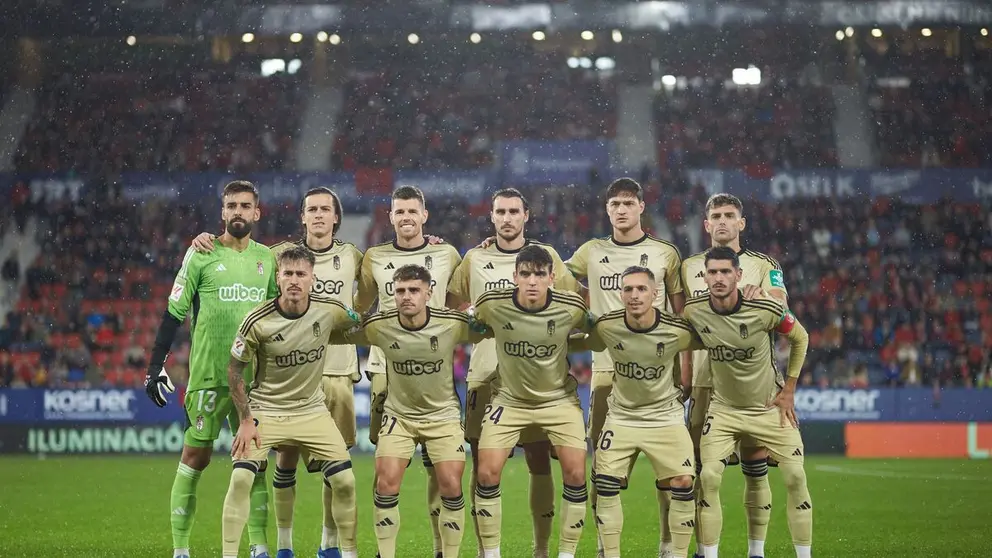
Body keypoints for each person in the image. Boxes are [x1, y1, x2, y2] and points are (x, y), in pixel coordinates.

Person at [190, 186, 363, 558]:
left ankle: (334, 547)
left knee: (342, 477)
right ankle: (279, 546)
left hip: (331, 383)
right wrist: (208, 241)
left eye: (325, 209)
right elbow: (238, 248)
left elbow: (365, 313)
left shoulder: (351, 259)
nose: (294, 279)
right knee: (262, 470)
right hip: (269, 403)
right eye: (311, 209)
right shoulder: (272, 259)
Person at [144, 180, 278, 558]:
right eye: (231, 205)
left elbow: (275, 320)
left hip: (252, 383)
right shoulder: (200, 253)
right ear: (222, 212)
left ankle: (259, 547)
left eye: (245, 205)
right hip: (208, 376)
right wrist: (155, 366)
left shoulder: (267, 260)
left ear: (256, 212)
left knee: (255, 462)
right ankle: (181, 550)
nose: (238, 211)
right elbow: (173, 312)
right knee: (195, 457)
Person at [447, 187, 579, 558]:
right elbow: (450, 307)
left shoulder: (546, 257)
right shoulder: (475, 257)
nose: (507, 218)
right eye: (501, 212)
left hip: (535, 378)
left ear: (526, 216)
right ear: (491, 216)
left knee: (538, 460)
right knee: (482, 464)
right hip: (484, 372)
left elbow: (573, 302)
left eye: (514, 211)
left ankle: (541, 549)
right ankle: (484, 550)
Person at [332, 264, 488, 557]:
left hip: (443, 416)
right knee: (385, 483)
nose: (406, 296)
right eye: (400, 290)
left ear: (429, 293)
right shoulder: (379, 325)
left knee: (451, 485)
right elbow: (335, 333)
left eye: (414, 290)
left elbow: (493, 328)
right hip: (398, 417)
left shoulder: (451, 323)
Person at [565, 177, 685, 558]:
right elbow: (552, 275)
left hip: (658, 374)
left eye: (628, 203)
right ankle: (605, 547)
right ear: (607, 209)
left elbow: (681, 318)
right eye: (615, 203)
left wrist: (684, 375)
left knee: (671, 472)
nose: (621, 209)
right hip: (606, 371)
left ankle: (668, 544)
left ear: (641, 207)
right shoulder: (591, 252)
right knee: (603, 471)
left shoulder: (665, 253)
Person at [222, 246, 362, 558]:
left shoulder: (330, 309)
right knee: (241, 477)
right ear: (278, 278)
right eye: (288, 274)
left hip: (312, 410)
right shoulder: (256, 320)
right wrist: (245, 420)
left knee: (345, 480)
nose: (294, 280)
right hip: (266, 409)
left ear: (313, 278)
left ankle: (348, 553)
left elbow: (359, 322)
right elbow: (234, 370)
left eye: (301, 274)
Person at [683, 247, 812, 558]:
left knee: (796, 476)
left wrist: (789, 389)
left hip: (768, 408)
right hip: (723, 410)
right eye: (712, 272)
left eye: (725, 271)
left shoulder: (765, 308)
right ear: (704, 277)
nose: (718, 278)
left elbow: (801, 337)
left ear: (738, 275)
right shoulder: (694, 311)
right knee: (708, 476)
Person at [355, 185, 462, 558]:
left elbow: (455, 304)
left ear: (424, 215)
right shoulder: (374, 257)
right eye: (399, 212)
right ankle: (384, 548)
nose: (405, 218)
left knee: (438, 466)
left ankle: (440, 547)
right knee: (385, 461)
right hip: (385, 366)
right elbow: (361, 306)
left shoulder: (446, 253)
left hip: (432, 366)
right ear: (390, 217)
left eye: (412, 211)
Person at [680, 193, 788, 558]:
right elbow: (682, 325)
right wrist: (684, 376)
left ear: (741, 223)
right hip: (704, 380)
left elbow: (782, 305)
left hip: (751, 384)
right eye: (716, 216)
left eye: (729, 215)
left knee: (755, 468)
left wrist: (763, 296)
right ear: (706, 224)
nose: (722, 221)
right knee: (702, 471)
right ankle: (704, 550)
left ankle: (756, 551)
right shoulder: (689, 266)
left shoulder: (764, 264)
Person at [569, 266, 702, 558]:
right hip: (622, 417)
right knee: (604, 483)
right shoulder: (607, 326)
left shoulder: (677, 329)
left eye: (642, 289)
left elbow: (715, 338)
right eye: (628, 289)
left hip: (665, 417)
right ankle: (609, 554)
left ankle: (675, 552)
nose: (634, 295)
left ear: (655, 294)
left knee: (683, 482)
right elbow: (580, 341)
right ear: (620, 294)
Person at [471, 245, 591, 558]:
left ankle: (564, 554)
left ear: (552, 277)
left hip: (558, 401)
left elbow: (596, 329)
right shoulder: (492, 304)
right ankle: (492, 555)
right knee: (486, 473)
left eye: (539, 274)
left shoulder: (571, 307)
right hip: (508, 401)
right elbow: (466, 325)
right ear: (515, 277)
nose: (532, 281)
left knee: (577, 474)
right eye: (525, 274)